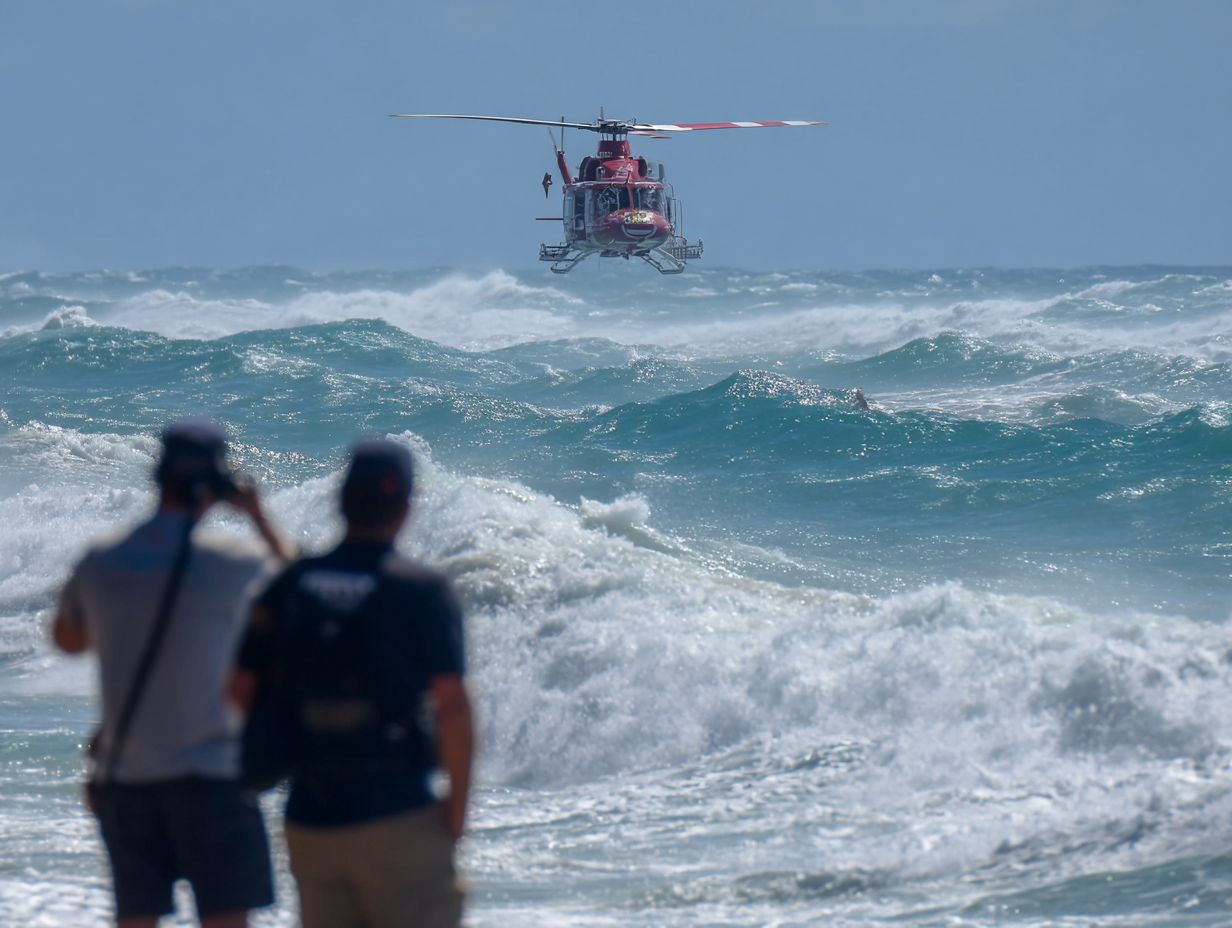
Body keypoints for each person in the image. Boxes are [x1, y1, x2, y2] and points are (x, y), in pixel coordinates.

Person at [52, 419, 294, 928]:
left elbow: (68, 640)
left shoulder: (103, 558)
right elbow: (302, 591)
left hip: (127, 777)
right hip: (214, 778)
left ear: (158, 476)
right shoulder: (235, 561)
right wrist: (258, 515)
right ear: (219, 484)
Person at [231, 439, 474, 928]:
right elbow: (453, 707)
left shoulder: (292, 585)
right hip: (399, 815)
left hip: (311, 822)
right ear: (406, 509)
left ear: (340, 502)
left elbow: (236, 694)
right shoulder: (421, 591)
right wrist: (456, 814)